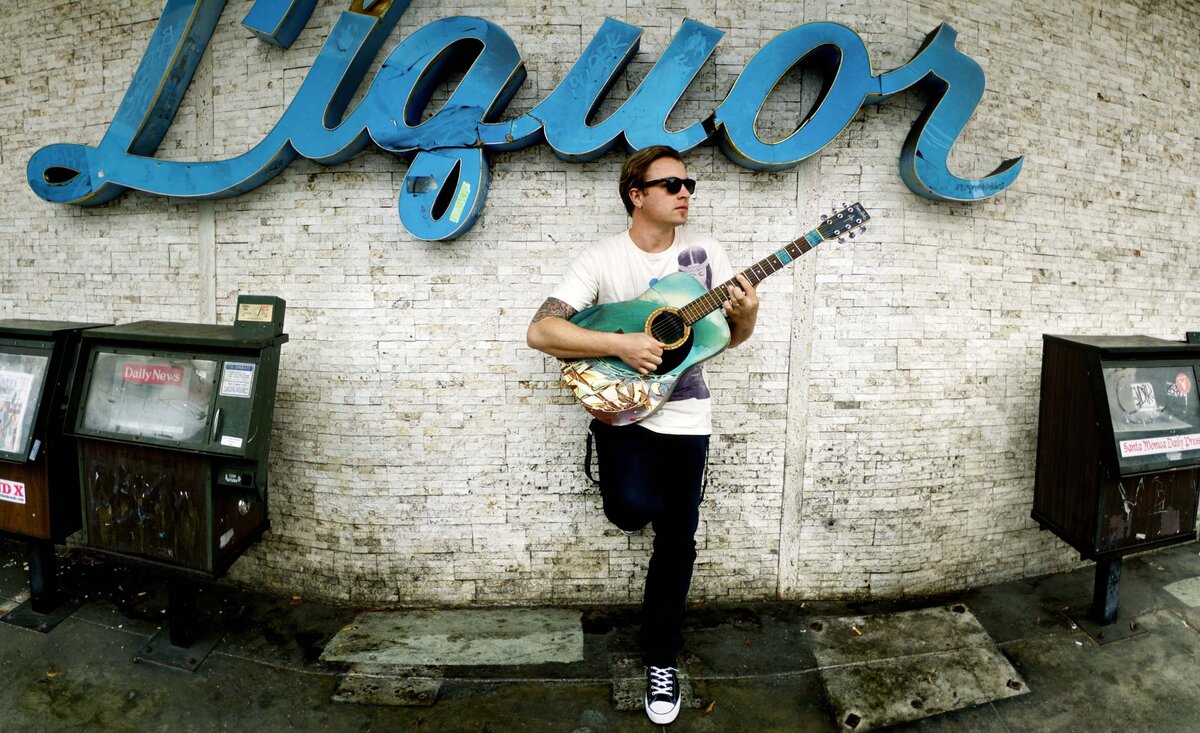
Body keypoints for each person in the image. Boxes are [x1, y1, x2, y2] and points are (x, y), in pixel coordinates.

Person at [526, 145, 759, 725]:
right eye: (672, 184)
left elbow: (727, 338)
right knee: (629, 509)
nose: (686, 193)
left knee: (678, 539)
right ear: (637, 194)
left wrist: (747, 313)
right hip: (621, 411)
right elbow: (542, 331)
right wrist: (621, 343)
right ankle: (632, 497)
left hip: (687, 420)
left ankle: (661, 658)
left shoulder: (708, 257)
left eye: (690, 184)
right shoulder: (601, 260)